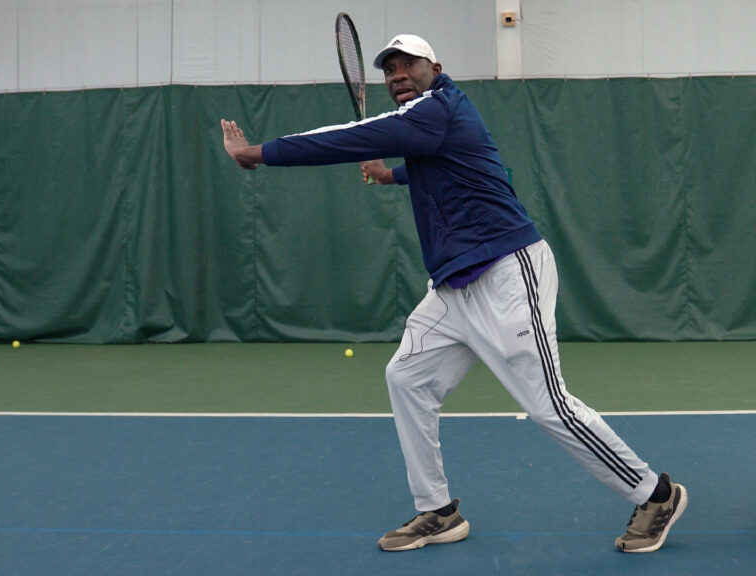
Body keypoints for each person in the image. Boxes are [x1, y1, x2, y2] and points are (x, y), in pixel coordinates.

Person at [220, 34, 687, 553]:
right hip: (453, 286)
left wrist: (256, 153)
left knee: (547, 404)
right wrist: (395, 175)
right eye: (389, 67)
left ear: (434, 67)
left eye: (408, 63)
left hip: (507, 273)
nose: (397, 73)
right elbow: (466, 171)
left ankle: (655, 494)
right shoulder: (433, 123)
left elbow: (347, 137)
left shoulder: (437, 107)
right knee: (406, 378)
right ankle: (437, 511)